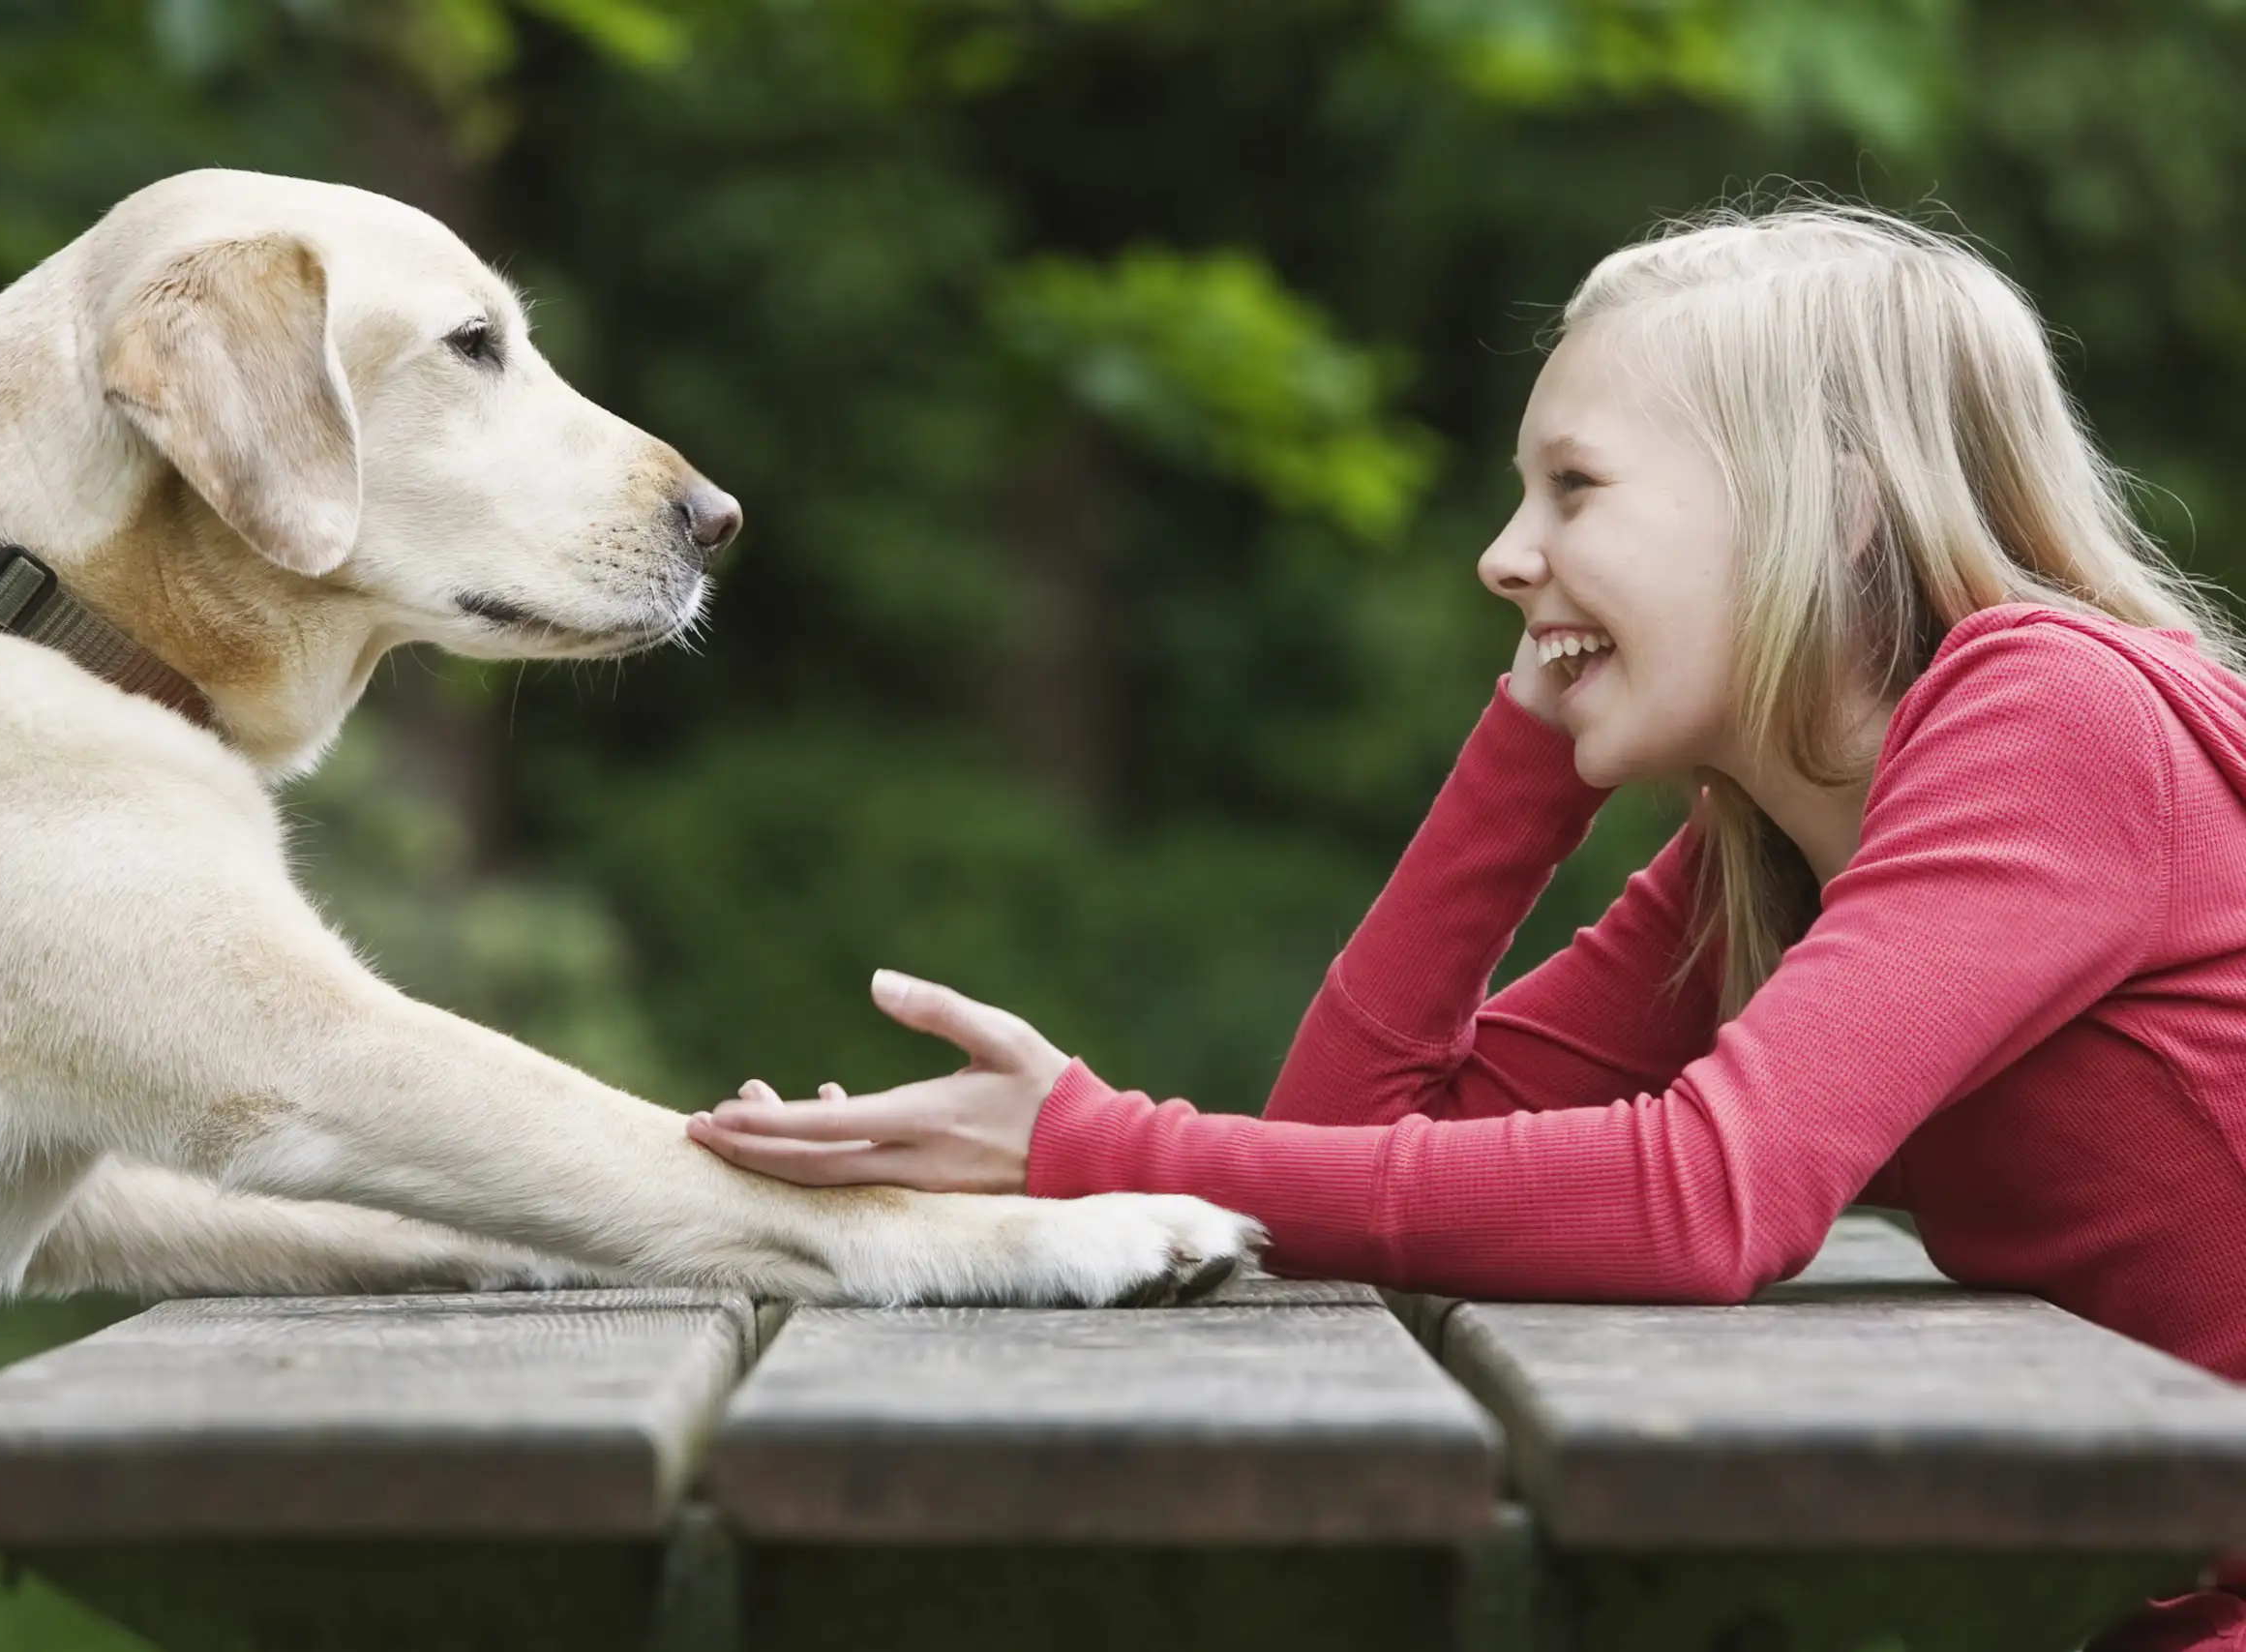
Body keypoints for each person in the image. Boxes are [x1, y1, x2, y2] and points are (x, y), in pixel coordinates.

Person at [684, 203, 2246, 1650]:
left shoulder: (2052, 713)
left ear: (1827, 508)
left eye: (1574, 487)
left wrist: (1092, 1147)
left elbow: (1704, 1198)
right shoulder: (1770, 850)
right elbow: (1347, 1141)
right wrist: (1528, 750)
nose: (1504, 553)